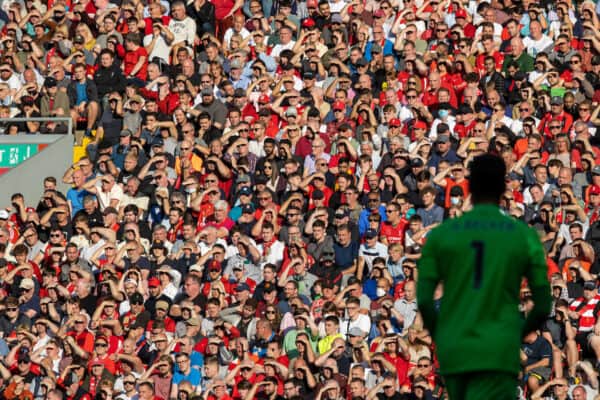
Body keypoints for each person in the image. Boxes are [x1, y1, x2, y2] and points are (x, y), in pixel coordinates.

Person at [417, 154, 552, 399]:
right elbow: (543, 303)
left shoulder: (443, 234)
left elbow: (425, 300)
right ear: (502, 187)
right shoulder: (522, 235)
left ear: (472, 187)